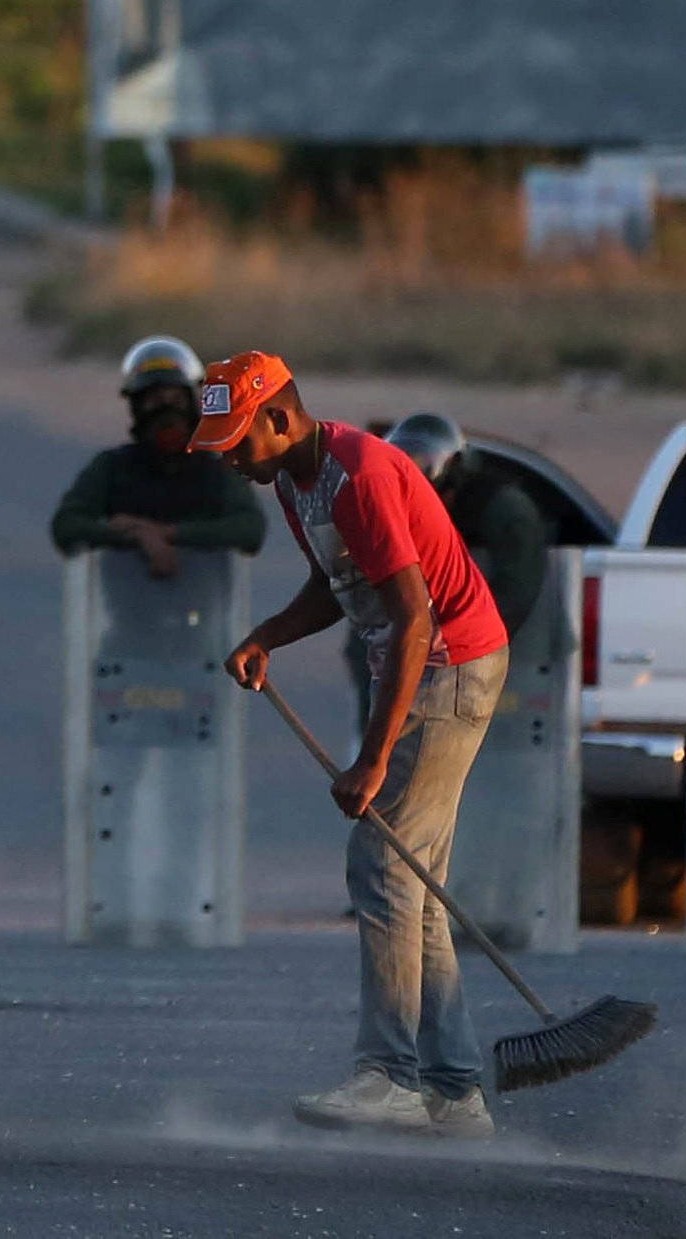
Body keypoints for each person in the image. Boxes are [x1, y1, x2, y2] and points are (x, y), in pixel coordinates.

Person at [199, 351, 510, 1141]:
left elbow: (414, 618)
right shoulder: (299, 485)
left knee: (379, 866)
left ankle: (390, 1074)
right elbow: (337, 587)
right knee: (413, 884)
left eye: (237, 441)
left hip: (450, 664)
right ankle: (453, 1092)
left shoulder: (360, 474)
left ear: (279, 417)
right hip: (421, 665)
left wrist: (371, 759)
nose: (232, 461)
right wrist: (268, 634)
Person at [345, 414, 551, 728]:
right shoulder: (393, 508)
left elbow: (516, 589)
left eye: (423, 465)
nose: (413, 477)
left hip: (494, 662)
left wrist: (460, 648)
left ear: (454, 471)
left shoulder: (503, 510)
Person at [47, 336, 268, 571]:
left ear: (192, 405)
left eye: (175, 399)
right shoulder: (112, 467)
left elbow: (250, 529)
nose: (166, 411)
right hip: (123, 603)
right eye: (154, 401)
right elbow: (67, 526)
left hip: (205, 603)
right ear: (137, 409)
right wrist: (134, 537)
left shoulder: (217, 471)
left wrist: (166, 534)